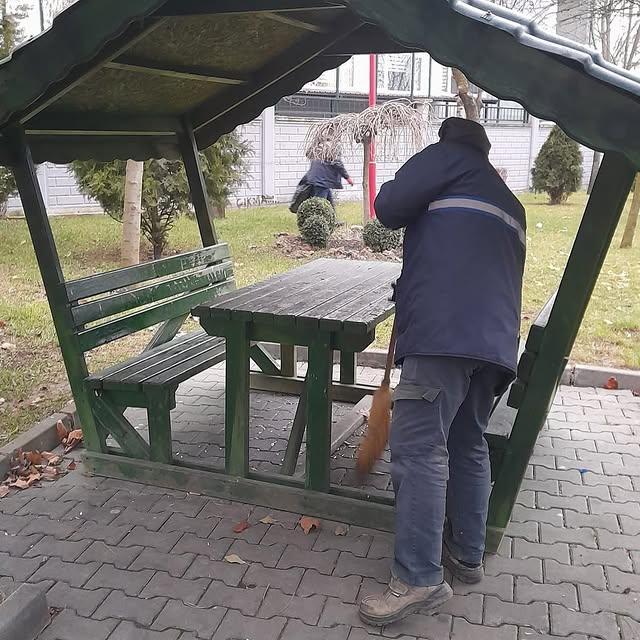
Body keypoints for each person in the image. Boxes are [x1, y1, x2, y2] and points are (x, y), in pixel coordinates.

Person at [359, 117, 526, 627]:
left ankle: (416, 579)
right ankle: (466, 555)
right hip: (493, 345)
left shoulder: (447, 161)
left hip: (443, 334)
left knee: (418, 451)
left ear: (447, 142)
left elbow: (386, 207)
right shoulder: (509, 199)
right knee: (467, 441)